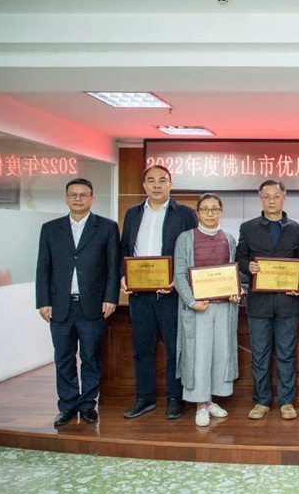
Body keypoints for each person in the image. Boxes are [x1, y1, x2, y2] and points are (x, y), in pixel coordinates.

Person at [36, 178, 120, 427]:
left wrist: (110, 297)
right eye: (73, 194)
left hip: (92, 304)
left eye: (83, 195)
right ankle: (67, 405)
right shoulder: (51, 229)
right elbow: (43, 268)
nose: (78, 199)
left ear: (91, 198)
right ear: (66, 198)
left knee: (91, 357)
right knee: (63, 357)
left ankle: (88, 405)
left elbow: (113, 267)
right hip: (60, 305)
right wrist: (43, 301)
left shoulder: (106, 227)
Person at [120, 165, 198, 420]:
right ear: (144, 185)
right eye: (151, 180)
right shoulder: (132, 214)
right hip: (140, 294)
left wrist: (178, 280)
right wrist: (123, 275)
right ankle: (144, 398)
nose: (156, 185)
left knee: (175, 348)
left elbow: (193, 251)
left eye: (162, 180)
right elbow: (125, 248)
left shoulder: (184, 213)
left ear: (170, 184)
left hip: (171, 294)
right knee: (142, 348)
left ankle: (175, 398)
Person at [236, 180, 299, 421]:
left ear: (284, 198)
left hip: (287, 303)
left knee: (287, 354)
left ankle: (287, 402)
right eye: (267, 196)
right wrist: (249, 266)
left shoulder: (295, 228)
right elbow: (240, 257)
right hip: (259, 303)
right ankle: (261, 401)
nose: (272, 200)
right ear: (260, 199)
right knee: (260, 355)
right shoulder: (248, 228)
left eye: (276, 196)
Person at [174, 193, 241, 427]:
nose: (210, 214)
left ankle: (211, 400)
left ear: (221, 212)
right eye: (205, 209)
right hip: (198, 308)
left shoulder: (229, 239)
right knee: (199, 355)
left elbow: (233, 273)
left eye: (215, 209)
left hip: (224, 308)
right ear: (197, 212)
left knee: (220, 354)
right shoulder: (186, 238)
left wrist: (235, 292)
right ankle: (200, 404)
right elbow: (179, 274)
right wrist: (191, 301)